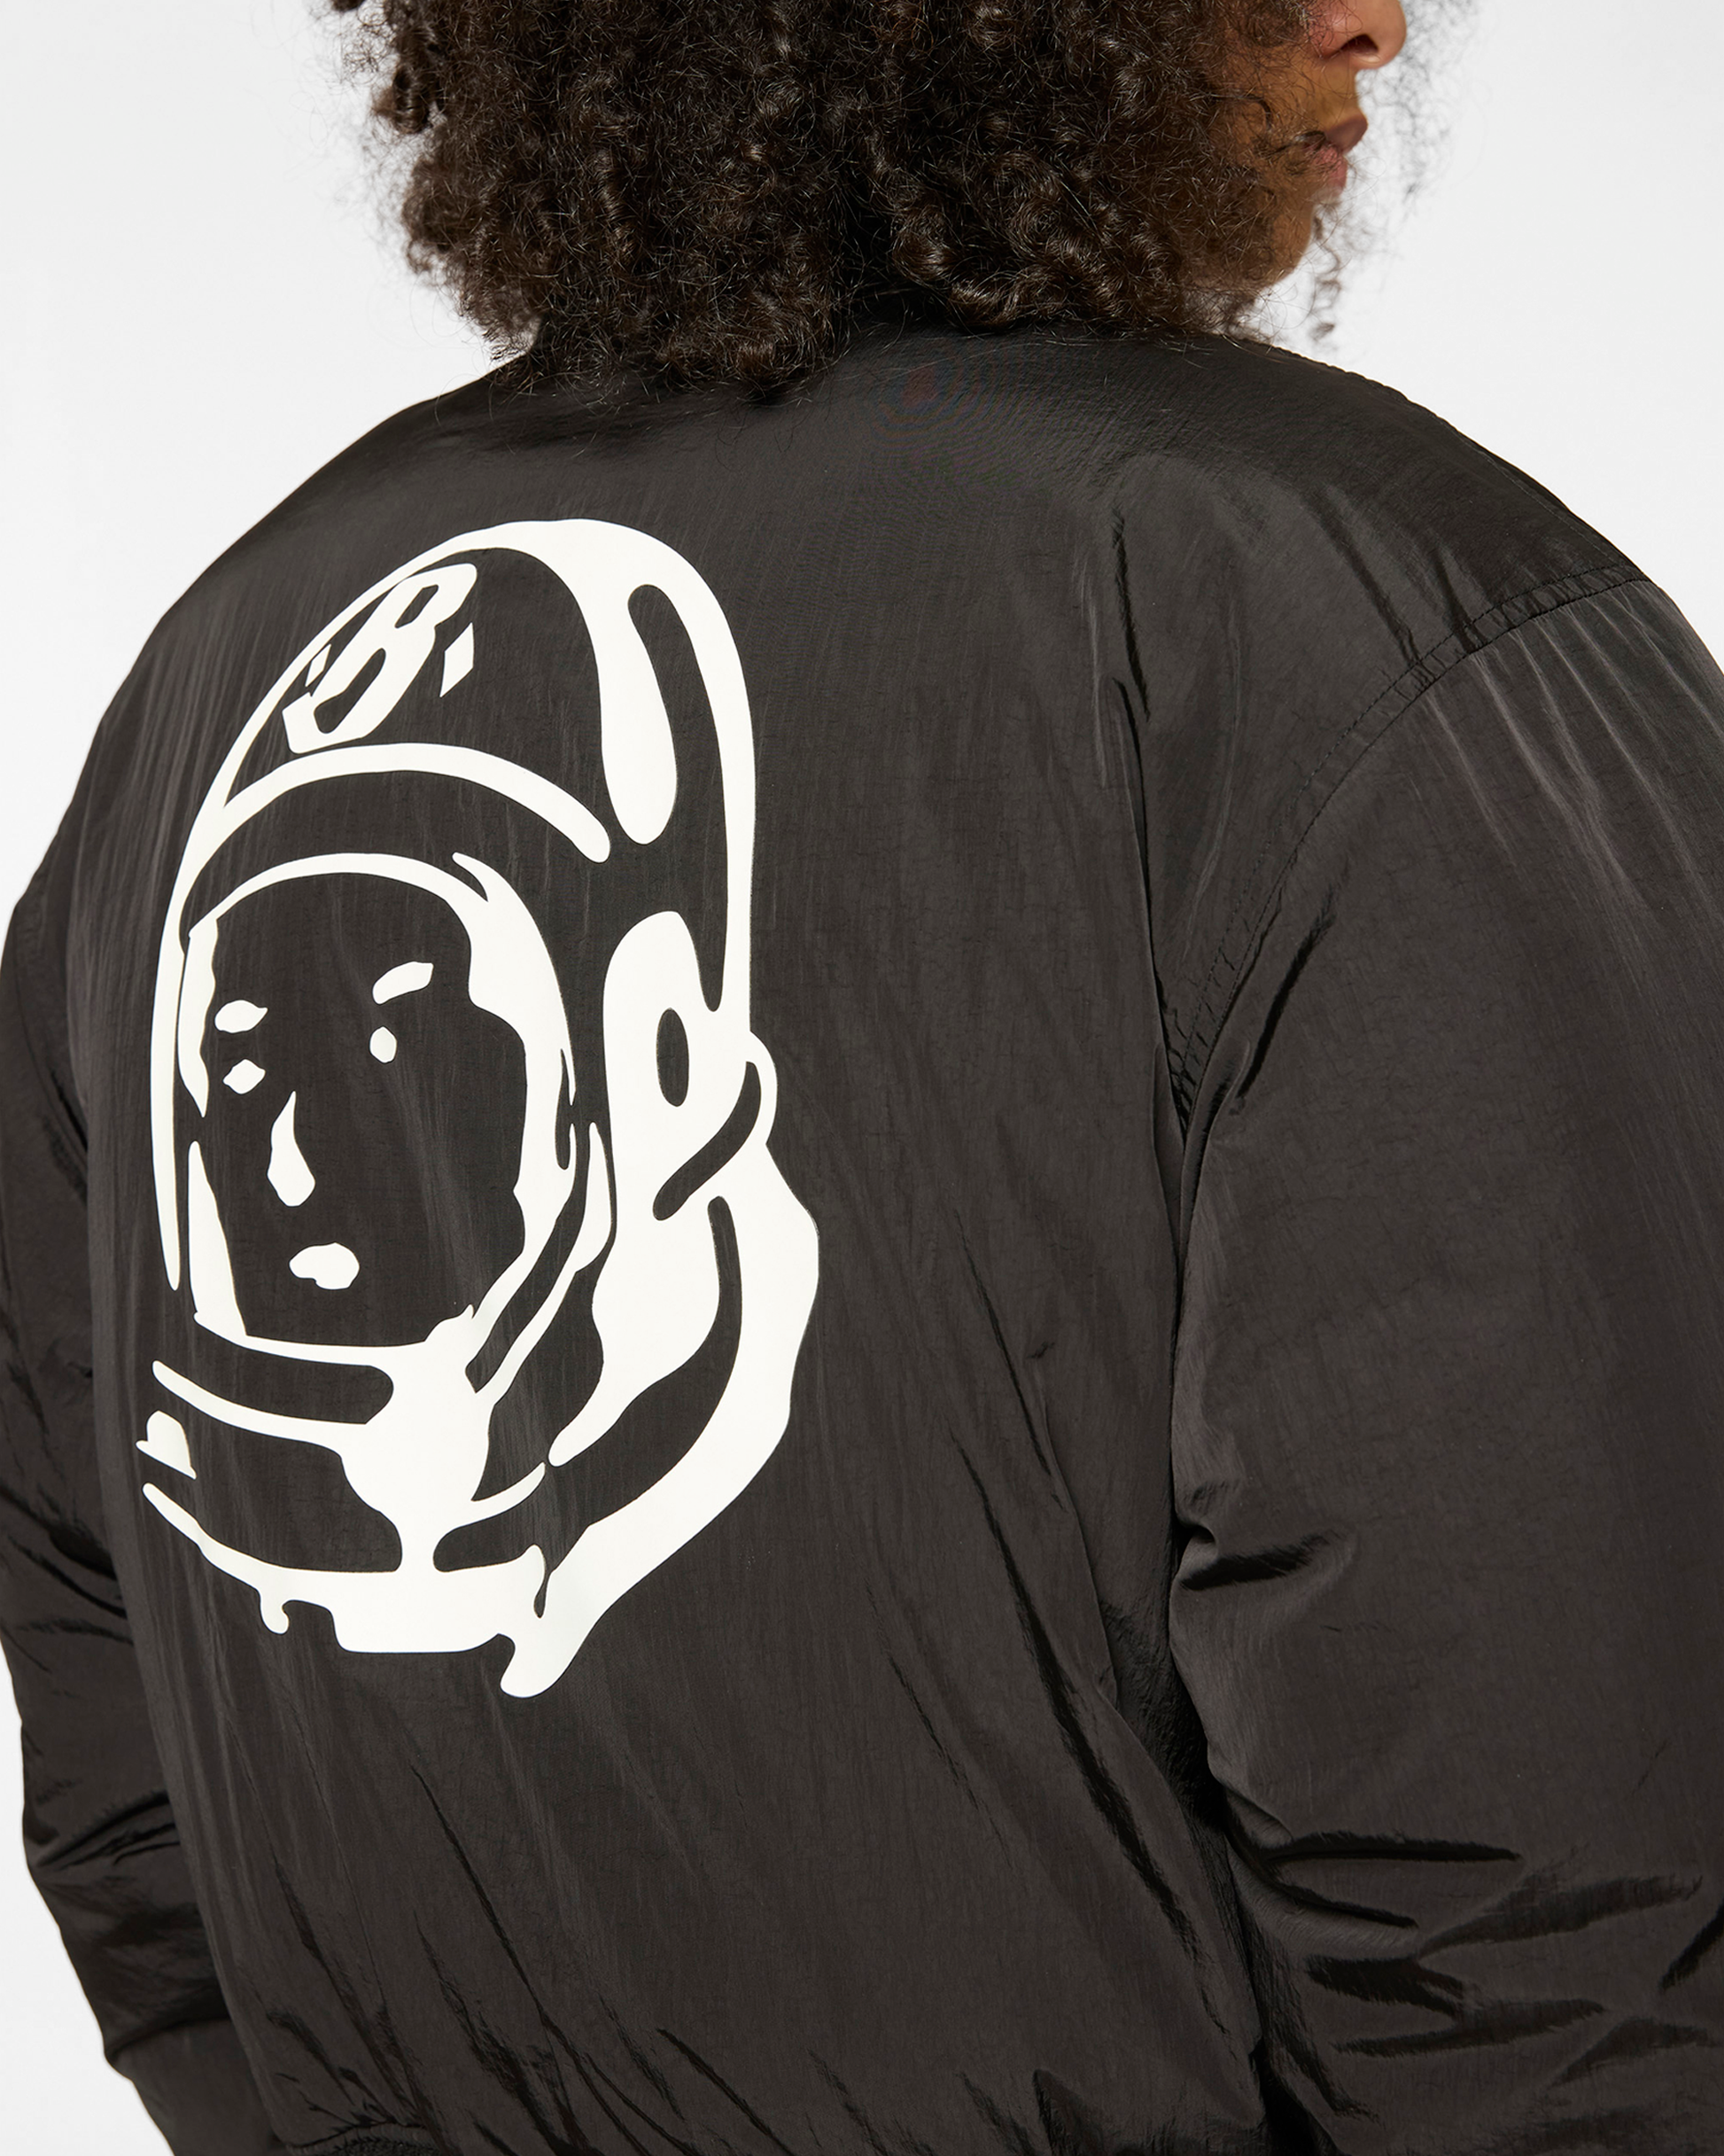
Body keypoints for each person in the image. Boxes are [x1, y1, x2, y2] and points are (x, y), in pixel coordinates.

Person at [4, 1, 1722, 2151]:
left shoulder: (220, 669)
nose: (1369, 15)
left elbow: (123, 1753)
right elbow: (1567, 1872)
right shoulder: (1347, 624)